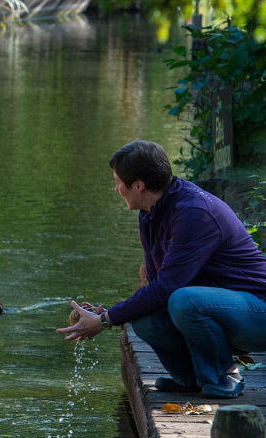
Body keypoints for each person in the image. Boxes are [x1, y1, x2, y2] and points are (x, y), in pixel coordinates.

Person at [57, 140, 266, 399]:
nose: (116, 188)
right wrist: (108, 313)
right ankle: (191, 377)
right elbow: (156, 287)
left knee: (183, 300)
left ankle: (224, 374)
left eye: (118, 181)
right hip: (224, 310)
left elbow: (167, 288)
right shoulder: (149, 213)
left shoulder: (194, 212)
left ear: (138, 185)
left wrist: (104, 321)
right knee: (145, 319)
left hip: (257, 311)